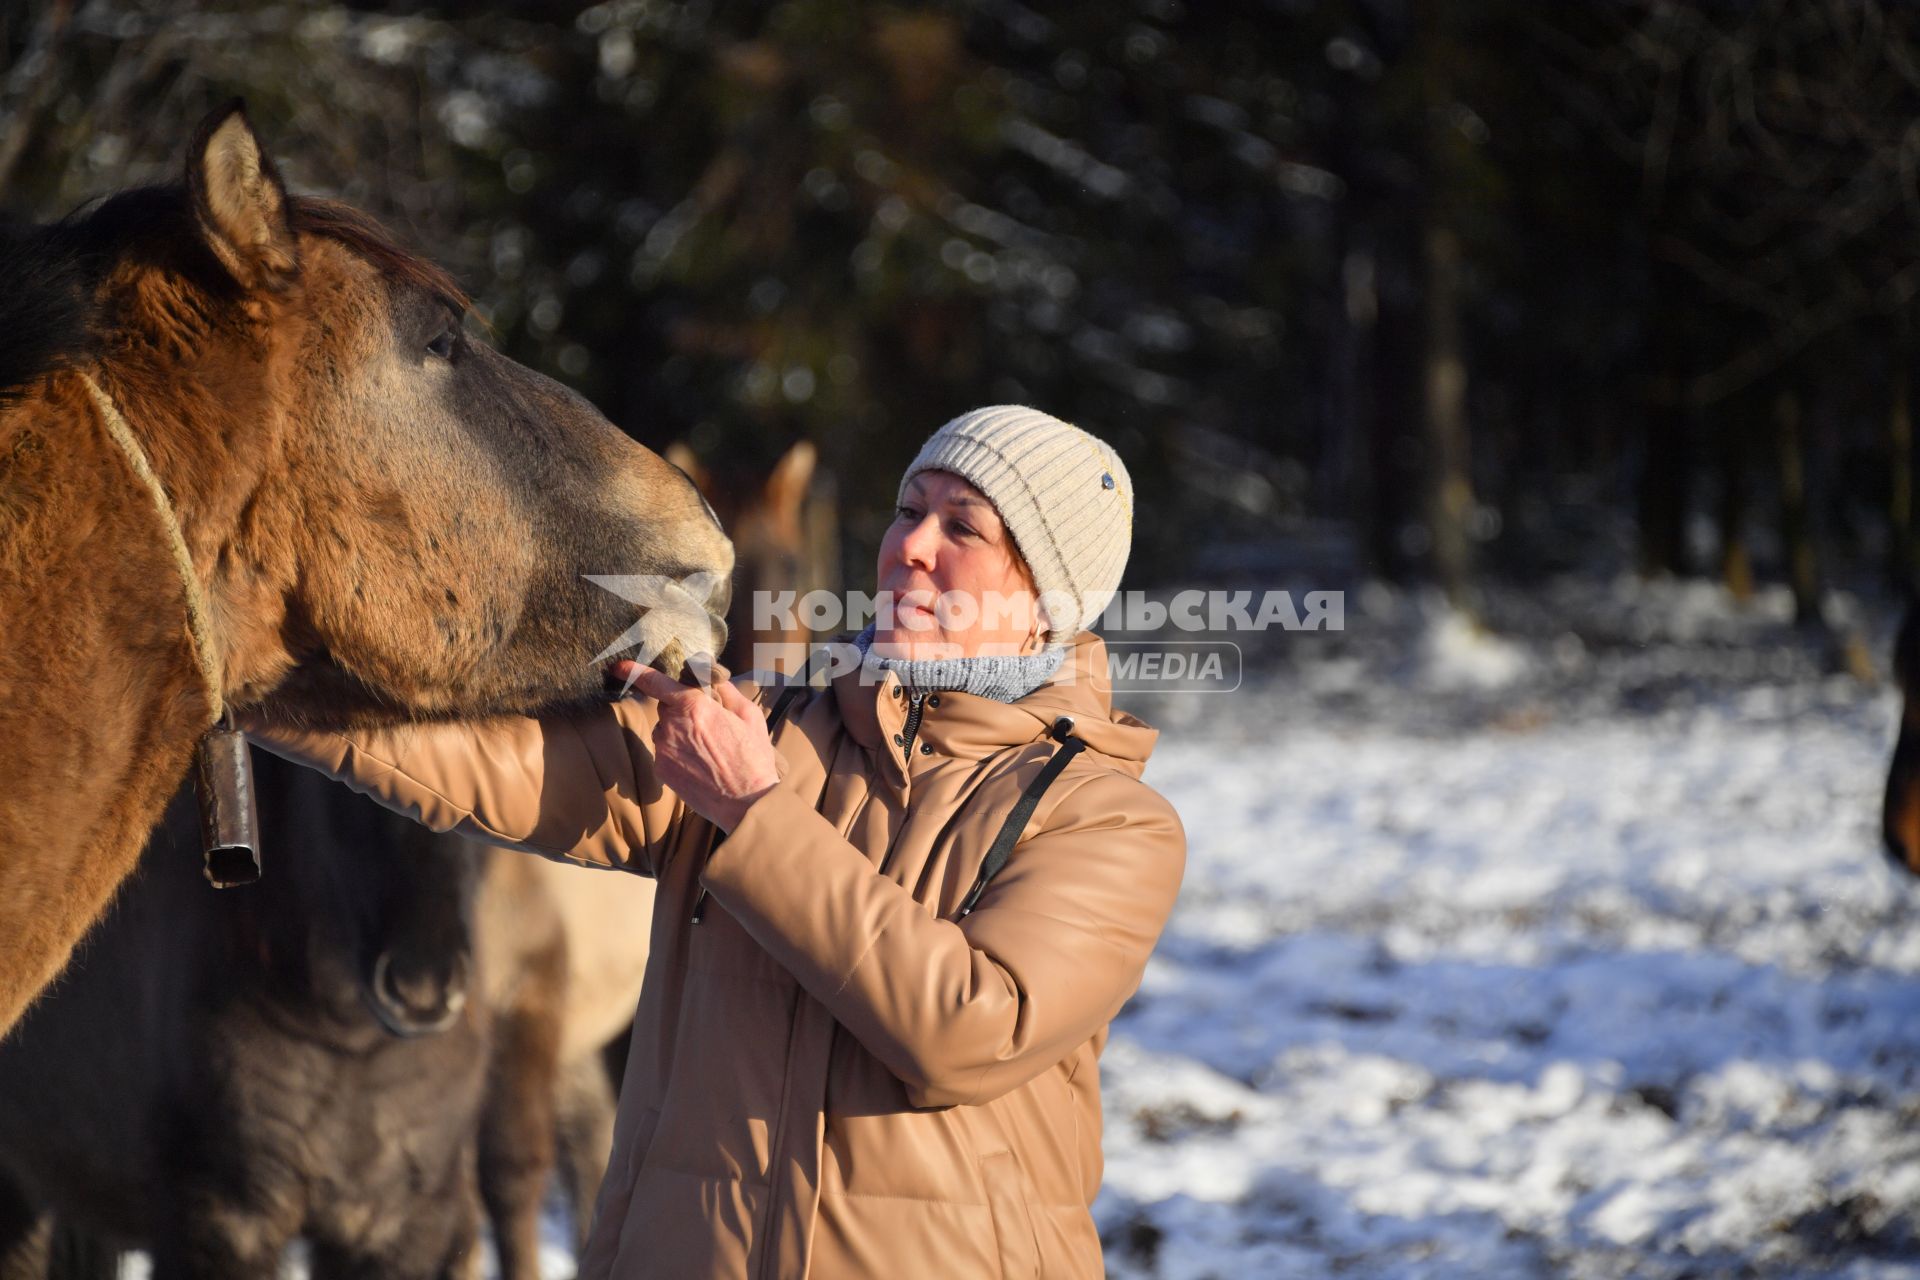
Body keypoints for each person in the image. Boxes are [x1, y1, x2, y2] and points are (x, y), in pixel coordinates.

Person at [242, 405, 1186, 1278]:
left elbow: (965, 1030)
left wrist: (755, 814)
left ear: (1051, 595)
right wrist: (247, 677)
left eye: (963, 527)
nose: (910, 549)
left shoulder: (1105, 819)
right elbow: (493, 758)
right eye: (908, 510)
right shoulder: (767, 724)